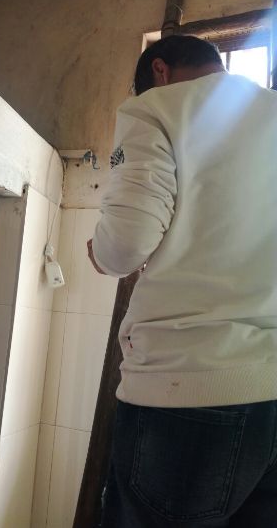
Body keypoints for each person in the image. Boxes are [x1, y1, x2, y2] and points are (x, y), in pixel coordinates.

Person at [87, 35, 277, 527]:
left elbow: (126, 244)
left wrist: (99, 253)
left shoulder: (157, 107)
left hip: (188, 389)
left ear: (160, 71)